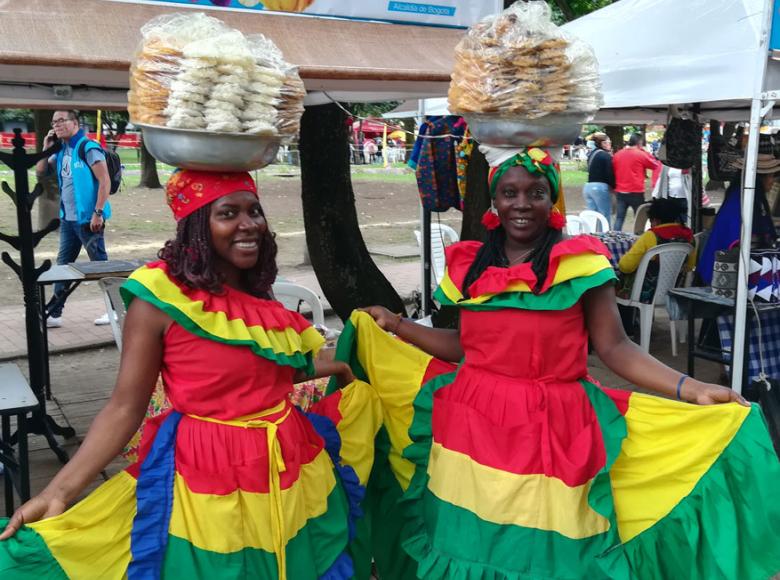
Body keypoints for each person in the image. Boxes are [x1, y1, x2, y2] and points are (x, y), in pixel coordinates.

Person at [340, 147, 780, 578]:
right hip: (470, 427)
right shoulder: (471, 266)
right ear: (494, 201)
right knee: (469, 539)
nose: (522, 204)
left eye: (536, 192)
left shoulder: (580, 264)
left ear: (552, 200)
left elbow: (616, 348)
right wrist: (397, 325)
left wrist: (691, 388)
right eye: (509, 193)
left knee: (550, 553)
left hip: (553, 430)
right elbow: (467, 346)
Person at [0, 170, 382, 579]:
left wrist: (338, 363)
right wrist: (58, 491)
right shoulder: (159, 301)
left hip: (292, 468)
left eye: (254, 211)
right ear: (198, 226)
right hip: (209, 476)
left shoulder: (261, 299)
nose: (248, 224)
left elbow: (263, 374)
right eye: (228, 213)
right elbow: (125, 407)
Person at [36, 110, 112, 328]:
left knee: (102, 267)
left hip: (89, 220)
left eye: (61, 121)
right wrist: (45, 146)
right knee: (63, 266)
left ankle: (116, 309)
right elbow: (41, 171)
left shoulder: (87, 147)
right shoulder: (61, 151)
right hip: (68, 220)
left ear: (75, 123)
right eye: (54, 122)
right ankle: (54, 313)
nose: (57, 125)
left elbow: (104, 180)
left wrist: (98, 212)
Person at [698, 154, 779, 284]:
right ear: (759, 178)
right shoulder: (740, 203)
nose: (773, 181)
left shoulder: (743, 197)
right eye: (771, 176)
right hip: (722, 277)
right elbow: (742, 243)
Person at [617, 197, 695, 310]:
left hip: (645, 294)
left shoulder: (651, 236)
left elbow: (625, 266)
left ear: (656, 220)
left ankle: (629, 323)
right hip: (675, 290)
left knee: (614, 280)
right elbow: (690, 266)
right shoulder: (688, 236)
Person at [612, 133, 660, 231]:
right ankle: (638, 237)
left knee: (619, 218)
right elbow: (655, 165)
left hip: (620, 191)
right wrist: (644, 151)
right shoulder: (640, 154)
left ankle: (615, 236)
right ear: (639, 143)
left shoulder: (617, 154)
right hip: (636, 191)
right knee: (639, 218)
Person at [582, 132, 614, 226]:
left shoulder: (592, 154)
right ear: (603, 143)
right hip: (600, 187)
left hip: (588, 187)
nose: (610, 144)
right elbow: (609, 173)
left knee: (593, 216)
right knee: (604, 215)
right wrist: (614, 186)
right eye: (609, 142)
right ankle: (606, 237)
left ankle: (592, 235)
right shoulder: (605, 155)